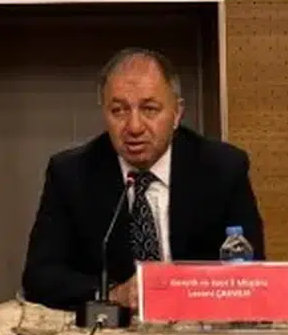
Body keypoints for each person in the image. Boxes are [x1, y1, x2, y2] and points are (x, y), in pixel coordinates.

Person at [21, 48, 266, 311]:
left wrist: (187, 291)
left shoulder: (222, 168)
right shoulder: (72, 174)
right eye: (118, 111)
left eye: (149, 109)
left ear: (177, 113)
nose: (134, 127)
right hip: (114, 329)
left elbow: (252, 272)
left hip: (198, 321)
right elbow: (40, 277)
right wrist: (114, 294)